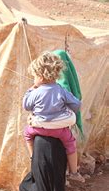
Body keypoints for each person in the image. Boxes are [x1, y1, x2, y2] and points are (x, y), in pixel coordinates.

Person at [23, 52, 83, 182]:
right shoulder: (60, 90)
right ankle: (74, 172)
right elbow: (76, 104)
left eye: (34, 76)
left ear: (39, 76)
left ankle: (33, 157)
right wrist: (68, 109)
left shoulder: (35, 92)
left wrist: (30, 90)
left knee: (27, 135)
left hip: (38, 129)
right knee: (71, 144)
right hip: (59, 131)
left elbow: (26, 106)